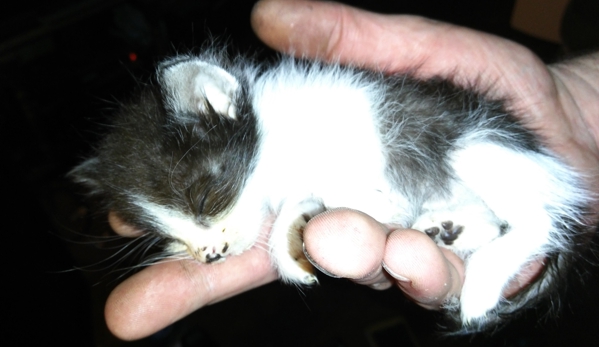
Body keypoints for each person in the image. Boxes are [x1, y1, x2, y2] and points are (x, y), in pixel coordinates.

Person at [104, 0, 599, 340]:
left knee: (472, 150)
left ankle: (524, 233)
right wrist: (295, 227)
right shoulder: (274, 171)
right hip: (436, 192)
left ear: (216, 98)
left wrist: (331, 204)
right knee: (411, 232)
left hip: (457, 146)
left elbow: (350, 130)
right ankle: (480, 228)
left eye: (203, 207)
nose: (205, 248)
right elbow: (307, 195)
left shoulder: (287, 110)